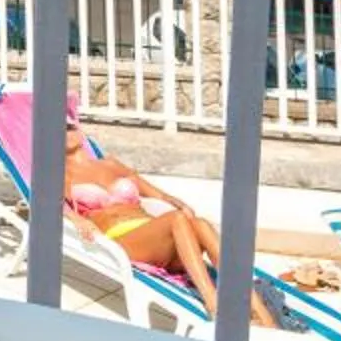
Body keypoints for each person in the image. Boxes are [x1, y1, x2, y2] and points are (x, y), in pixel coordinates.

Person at [62, 129, 275, 327]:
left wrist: (179, 203)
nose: (68, 132)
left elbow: (158, 195)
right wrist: (76, 218)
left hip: (156, 237)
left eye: (71, 126)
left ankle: (261, 314)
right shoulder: (61, 174)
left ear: (80, 130)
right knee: (175, 219)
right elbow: (47, 202)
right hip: (123, 241)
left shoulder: (111, 164)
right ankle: (213, 304)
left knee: (200, 224)